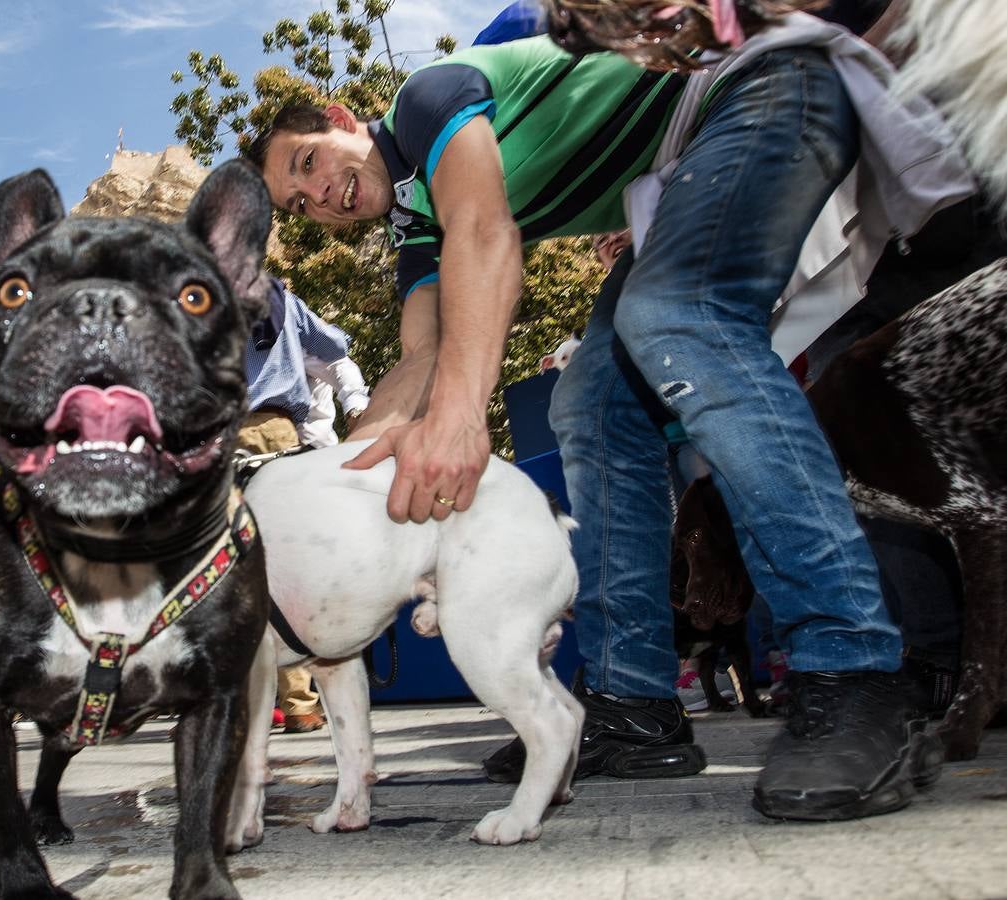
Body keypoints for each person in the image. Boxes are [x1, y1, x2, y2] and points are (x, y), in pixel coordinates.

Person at [247, 9, 969, 819]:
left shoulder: (426, 97)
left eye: (308, 163)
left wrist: (459, 418)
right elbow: (418, 359)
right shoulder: (416, 222)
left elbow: (487, 233)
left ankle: (856, 667)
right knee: (588, 400)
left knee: (677, 315)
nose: (319, 195)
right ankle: (631, 706)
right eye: (300, 204)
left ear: (345, 121)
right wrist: (330, 485)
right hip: (690, 164)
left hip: (759, 88)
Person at [241, 276, 363, 733]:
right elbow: (332, 348)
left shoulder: (191, 299)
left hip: (215, 438)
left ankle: (234, 706)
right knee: (283, 571)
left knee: (221, 575)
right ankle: (298, 704)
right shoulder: (279, 300)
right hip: (275, 433)